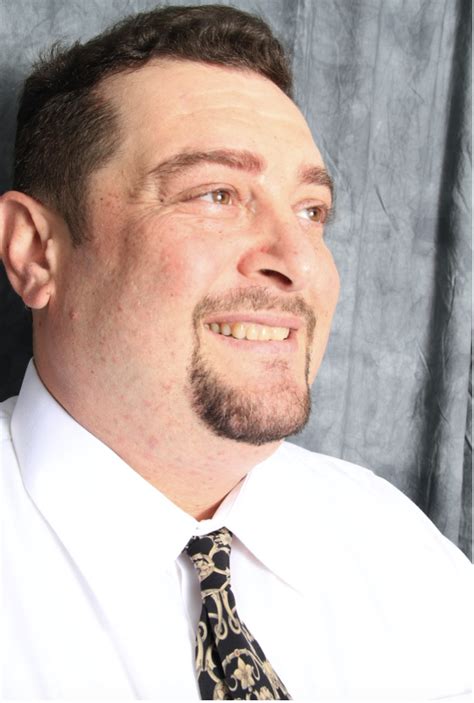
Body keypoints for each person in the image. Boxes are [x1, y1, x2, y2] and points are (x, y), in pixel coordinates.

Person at [0, 4, 471, 700]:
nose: (299, 263)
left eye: (311, 211)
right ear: (36, 252)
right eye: (216, 194)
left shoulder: (405, 557)